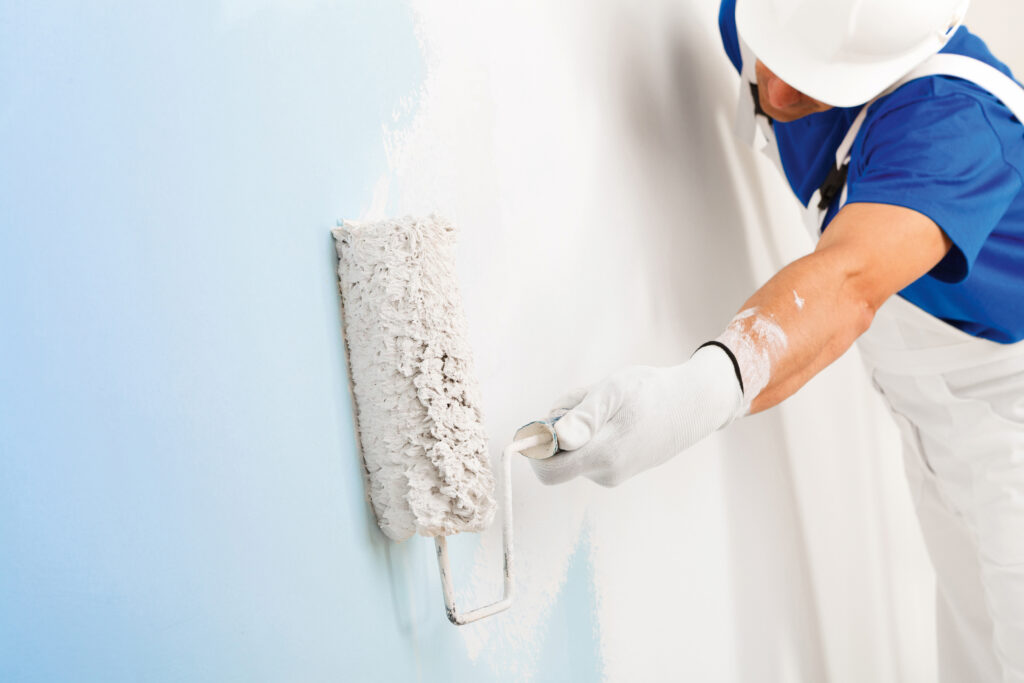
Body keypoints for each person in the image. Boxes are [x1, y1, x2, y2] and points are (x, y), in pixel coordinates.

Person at [527, 0, 1024, 679]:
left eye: (819, 81)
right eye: (777, 59)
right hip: (932, 425)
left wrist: (700, 391)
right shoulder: (773, 17)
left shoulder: (956, 127)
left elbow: (848, 282)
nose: (779, 94)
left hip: (1008, 416)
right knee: (973, 655)